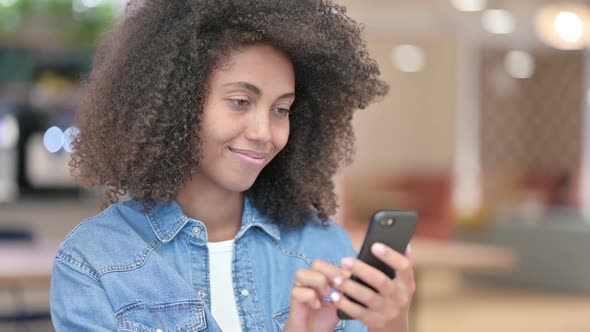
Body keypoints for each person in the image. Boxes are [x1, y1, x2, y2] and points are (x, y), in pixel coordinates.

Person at [50, 0, 416, 331]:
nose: (264, 132)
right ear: (176, 103)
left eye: (281, 109)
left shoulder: (322, 245)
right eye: (241, 101)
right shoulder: (93, 261)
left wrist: (393, 324)